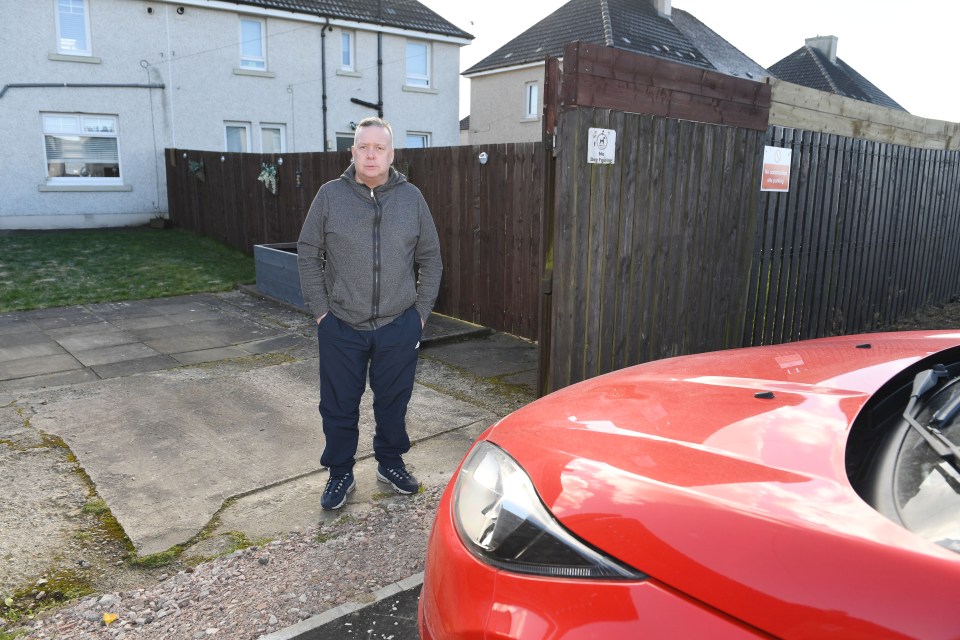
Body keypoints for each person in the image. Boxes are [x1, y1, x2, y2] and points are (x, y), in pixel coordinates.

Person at [297, 117, 442, 511]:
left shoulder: (411, 198)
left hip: (398, 324)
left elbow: (431, 259)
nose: (372, 154)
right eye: (365, 147)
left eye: (380, 147)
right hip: (341, 325)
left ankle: (390, 463)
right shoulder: (330, 196)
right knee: (339, 405)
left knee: (393, 402)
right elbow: (308, 254)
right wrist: (321, 312)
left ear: (392, 154)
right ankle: (340, 473)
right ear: (353, 152)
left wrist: (421, 314)